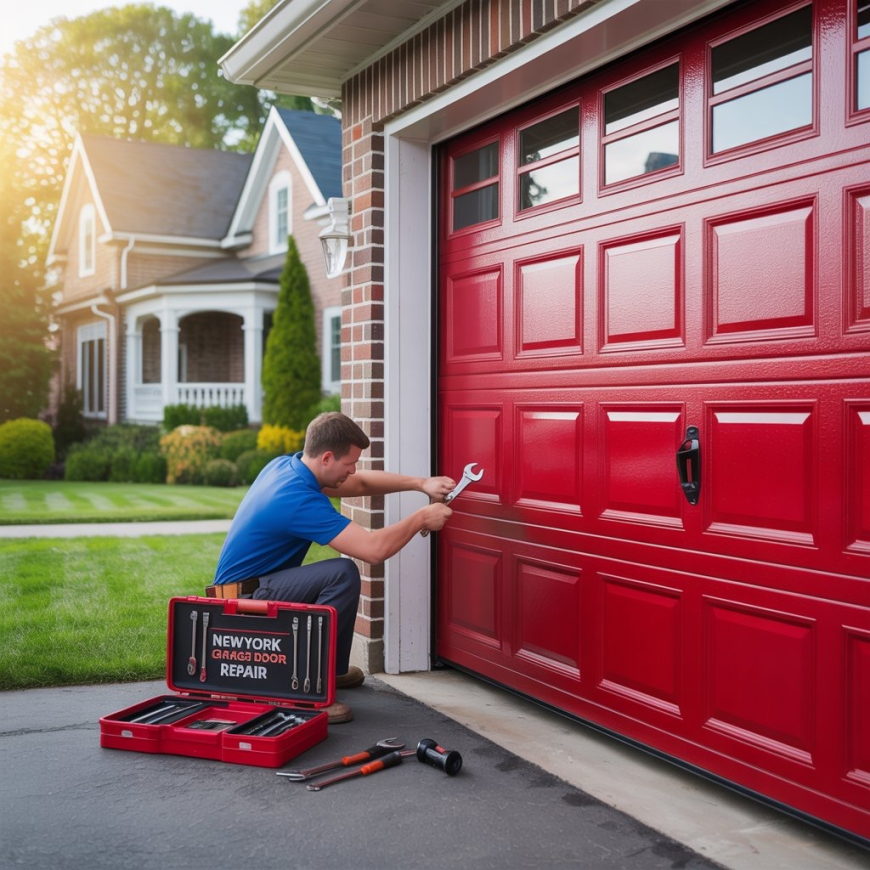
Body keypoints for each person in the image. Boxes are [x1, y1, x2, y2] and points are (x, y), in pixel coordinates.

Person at [212, 412, 455, 723]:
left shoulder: (287, 466)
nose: (353, 470)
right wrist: (421, 518)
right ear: (327, 458)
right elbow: (373, 550)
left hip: (246, 592)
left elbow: (361, 483)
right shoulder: (297, 499)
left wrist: (421, 483)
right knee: (341, 574)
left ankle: (328, 673)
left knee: (338, 573)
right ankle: (309, 691)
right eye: (349, 463)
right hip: (241, 610)